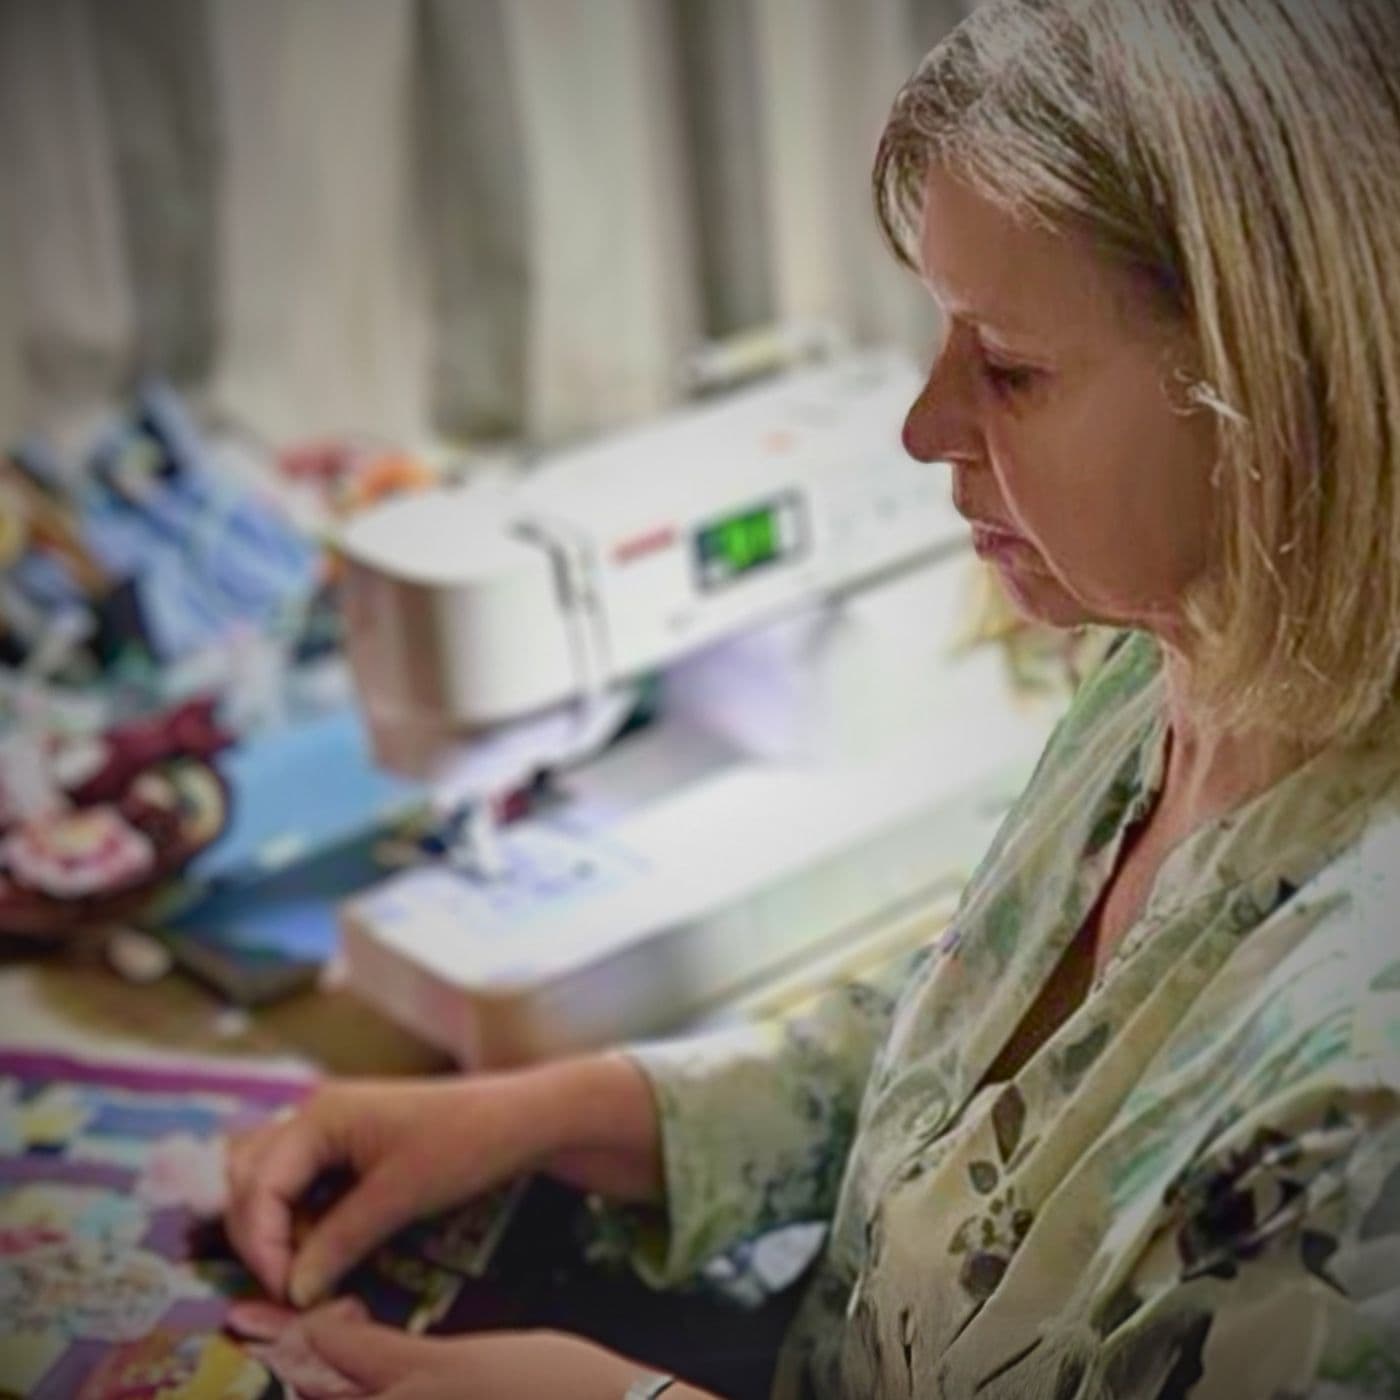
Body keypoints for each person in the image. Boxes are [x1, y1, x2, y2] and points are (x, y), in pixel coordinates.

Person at [223, 1, 1400, 1394]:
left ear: (1279, 385)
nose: (922, 427)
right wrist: (544, 1116)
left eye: (1008, 368)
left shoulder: (1361, 1082)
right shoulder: (1166, 669)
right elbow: (958, 1093)